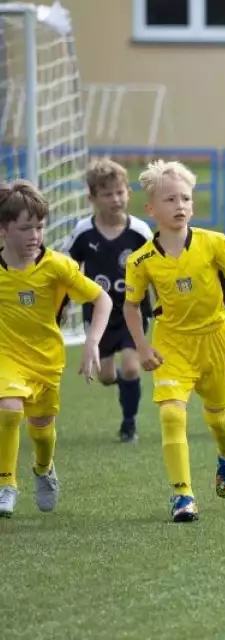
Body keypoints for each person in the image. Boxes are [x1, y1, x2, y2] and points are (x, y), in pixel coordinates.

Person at [124, 160, 225, 523]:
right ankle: (182, 495)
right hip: (172, 344)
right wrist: (142, 345)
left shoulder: (214, 243)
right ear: (151, 208)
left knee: (218, 417)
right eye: (170, 199)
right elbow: (132, 305)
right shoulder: (141, 260)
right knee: (171, 412)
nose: (179, 205)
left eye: (185, 198)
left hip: (217, 339)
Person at [0, 180, 113, 518]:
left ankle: (43, 467)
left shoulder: (57, 266)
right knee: (9, 408)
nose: (34, 235)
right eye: (25, 228)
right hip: (6, 358)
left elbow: (102, 299)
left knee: (42, 431)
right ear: (4, 229)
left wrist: (92, 341)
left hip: (46, 361)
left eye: (39, 227)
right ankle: (6, 483)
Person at [62, 158, 154, 443]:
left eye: (120, 192)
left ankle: (129, 423)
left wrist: (166, 304)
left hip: (133, 311)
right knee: (106, 376)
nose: (115, 199)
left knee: (130, 366)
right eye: (107, 194)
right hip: (99, 314)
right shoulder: (83, 232)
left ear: (128, 192)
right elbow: (65, 268)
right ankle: (125, 386)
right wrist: (63, 304)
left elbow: (158, 269)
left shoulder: (140, 232)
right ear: (92, 198)